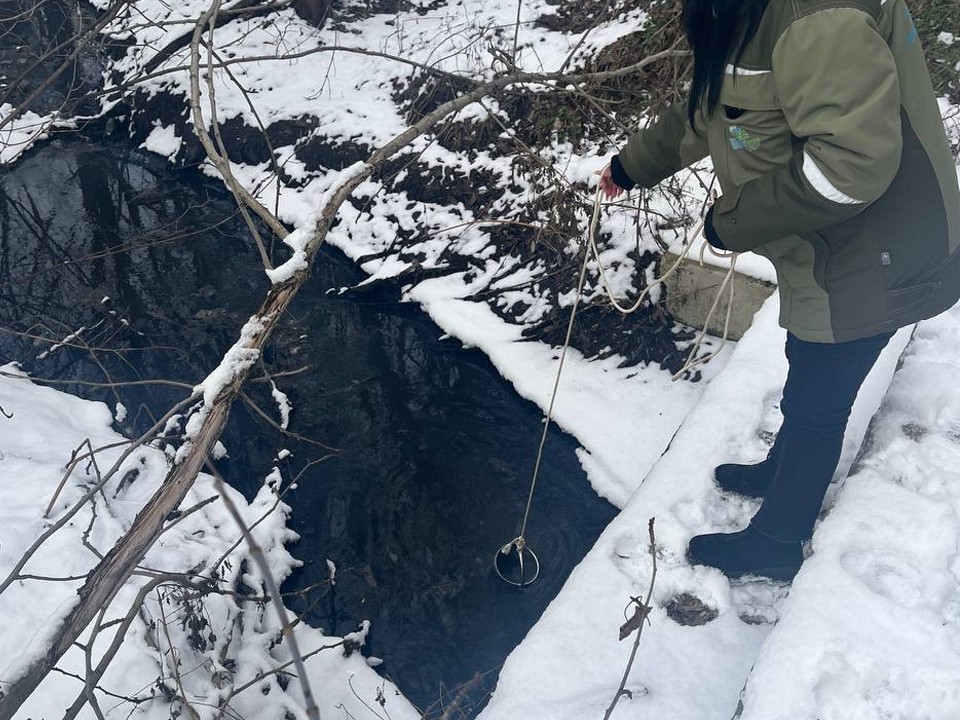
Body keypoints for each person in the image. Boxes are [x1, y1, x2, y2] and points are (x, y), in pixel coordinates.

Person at [599, 0, 960, 581]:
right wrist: (632, 166)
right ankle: (781, 473)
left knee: (821, 398)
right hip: (831, 242)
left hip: (879, 249)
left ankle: (777, 540)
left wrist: (735, 221)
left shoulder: (817, 18)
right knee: (807, 360)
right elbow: (712, 110)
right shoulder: (749, 13)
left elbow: (850, 166)